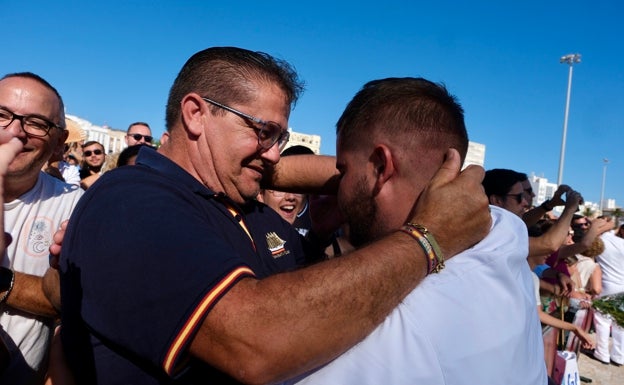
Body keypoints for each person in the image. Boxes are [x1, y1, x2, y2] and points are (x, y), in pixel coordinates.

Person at [59, 47, 490, 384]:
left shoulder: (240, 203)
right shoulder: (131, 200)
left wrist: (385, 169)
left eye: (280, 138)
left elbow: (340, 179)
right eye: (263, 132)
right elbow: (256, 344)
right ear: (196, 114)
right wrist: (427, 238)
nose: (274, 153)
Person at [286, 78, 546, 384]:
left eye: (343, 171)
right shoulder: (505, 231)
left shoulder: (388, 333)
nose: (336, 186)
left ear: (382, 167)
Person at [0, 72, 83, 384]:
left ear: (59, 143)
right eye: (1, 114)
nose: (15, 131)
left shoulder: (76, 206)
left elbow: (73, 301)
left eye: (36, 123)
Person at [592, 220, 624, 365]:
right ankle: (619, 356)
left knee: (602, 321)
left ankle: (602, 353)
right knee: (620, 324)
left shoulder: (602, 241)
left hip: (606, 284)